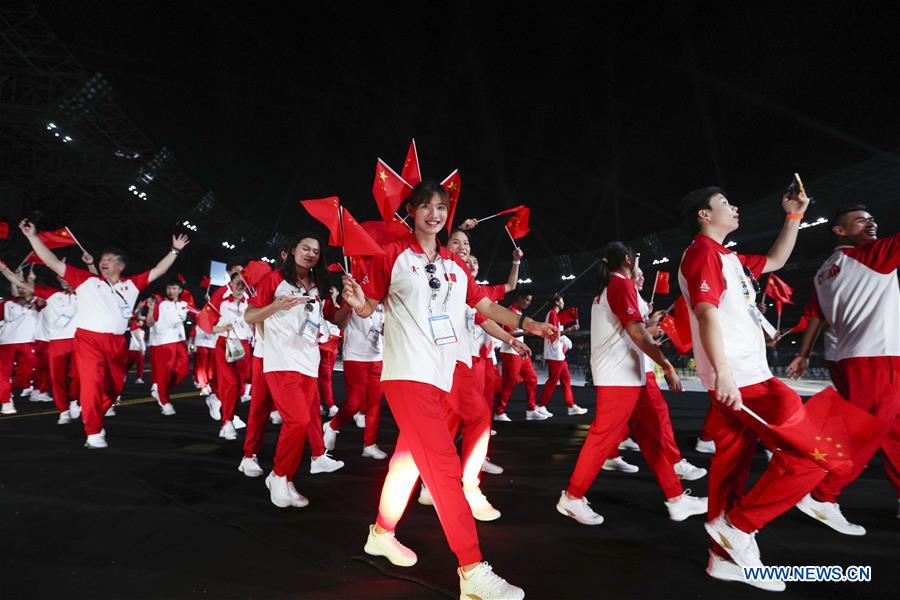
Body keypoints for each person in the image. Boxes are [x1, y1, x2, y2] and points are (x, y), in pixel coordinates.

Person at [342, 180, 558, 600]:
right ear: (412, 211)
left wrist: (527, 325)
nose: (434, 213)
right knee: (443, 470)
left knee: (407, 461)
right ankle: (472, 570)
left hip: (441, 377)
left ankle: (381, 532)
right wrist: (357, 301)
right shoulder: (393, 255)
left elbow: (485, 307)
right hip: (407, 375)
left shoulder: (455, 268)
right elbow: (371, 304)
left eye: (441, 207)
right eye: (425, 206)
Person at [676, 185, 828, 591]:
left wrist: (793, 217)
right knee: (813, 457)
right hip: (744, 379)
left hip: (741, 375)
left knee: (731, 466)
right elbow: (706, 313)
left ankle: (722, 559)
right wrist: (723, 373)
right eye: (725, 202)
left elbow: (776, 259)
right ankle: (739, 527)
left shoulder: (729, 258)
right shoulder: (703, 254)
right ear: (704, 215)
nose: (735, 205)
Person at [556, 241, 707, 528]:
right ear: (627, 259)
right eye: (636, 259)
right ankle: (572, 496)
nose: (639, 266)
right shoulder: (619, 285)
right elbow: (637, 333)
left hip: (629, 376)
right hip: (619, 377)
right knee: (602, 437)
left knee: (651, 438)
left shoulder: (612, 287)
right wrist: (667, 364)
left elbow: (631, 331)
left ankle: (676, 498)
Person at [19, 219, 188, 448]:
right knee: (91, 384)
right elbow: (50, 261)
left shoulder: (133, 284)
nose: (103, 263)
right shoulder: (85, 280)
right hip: (88, 340)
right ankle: (93, 431)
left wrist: (175, 251)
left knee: (114, 388)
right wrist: (32, 237)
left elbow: (159, 270)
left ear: (121, 266)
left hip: (117, 343)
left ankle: (91, 410)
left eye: (108, 260)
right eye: (102, 260)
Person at [787, 204, 899, 531]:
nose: (872, 223)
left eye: (873, 218)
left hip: (846, 359)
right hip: (877, 358)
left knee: (895, 432)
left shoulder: (824, 271)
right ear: (839, 230)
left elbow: (816, 316)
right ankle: (823, 496)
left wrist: (804, 353)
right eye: (861, 220)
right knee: (865, 433)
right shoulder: (873, 255)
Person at [244, 234, 344, 507]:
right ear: (292, 251)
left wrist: (349, 299)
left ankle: (286, 478)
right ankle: (278, 475)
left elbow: (334, 319)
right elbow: (249, 316)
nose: (311, 253)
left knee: (301, 424)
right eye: (305, 248)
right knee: (298, 421)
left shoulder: (318, 285)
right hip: (280, 361)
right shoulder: (274, 279)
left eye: (316, 250)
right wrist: (275, 306)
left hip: (309, 363)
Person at [0, 262, 81, 423]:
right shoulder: (48, 295)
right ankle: (62, 409)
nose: (62, 280)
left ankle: (73, 400)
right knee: (54, 377)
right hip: (42, 342)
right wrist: (4, 269)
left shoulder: (83, 296)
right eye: (60, 277)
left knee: (76, 375)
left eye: (65, 277)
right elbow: (19, 286)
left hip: (71, 341)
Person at [324, 301, 388, 460]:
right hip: (355, 356)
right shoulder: (352, 297)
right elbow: (339, 322)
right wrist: (348, 305)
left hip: (377, 356)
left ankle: (369, 444)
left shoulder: (384, 299)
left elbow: (384, 328)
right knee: (355, 402)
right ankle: (332, 426)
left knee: (374, 404)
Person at [206, 272, 252, 440]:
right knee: (230, 383)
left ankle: (225, 412)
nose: (240, 285)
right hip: (224, 344)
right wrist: (223, 328)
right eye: (237, 282)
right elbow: (207, 325)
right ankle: (227, 422)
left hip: (245, 345)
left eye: (243, 283)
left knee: (241, 385)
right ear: (230, 284)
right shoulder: (220, 297)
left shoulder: (251, 299)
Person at [495, 291, 543, 421]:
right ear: (520, 298)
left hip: (521, 352)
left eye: (530, 301)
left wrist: (526, 332)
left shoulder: (519, 313)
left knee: (532, 378)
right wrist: (526, 332)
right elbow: (507, 333)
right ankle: (499, 412)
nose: (528, 303)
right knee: (509, 383)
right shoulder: (510, 311)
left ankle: (531, 410)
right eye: (526, 300)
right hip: (510, 352)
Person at [538, 293, 587, 416]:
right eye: (562, 300)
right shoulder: (552, 314)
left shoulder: (555, 315)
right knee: (553, 381)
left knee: (566, 380)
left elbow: (557, 333)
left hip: (558, 354)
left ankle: (571, 406)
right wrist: (570, 330)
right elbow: (554, 335)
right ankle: (540, 405)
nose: (563, 302)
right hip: (555, 354)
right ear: (556, 303)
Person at [145, 281, 190, 415]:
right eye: (169, 288)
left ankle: (160, 391)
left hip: (180, 341)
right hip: (163, 342)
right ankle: (164, 402)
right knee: (162, 376)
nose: (171, 291)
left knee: (183, 371)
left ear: (180, 290)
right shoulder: (160, 304)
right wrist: (152, 309)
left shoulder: (184, 304)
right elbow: (149, 323)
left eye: (174, 288)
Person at [0, 267, 40, 414]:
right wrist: (17, 279)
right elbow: (16, 291)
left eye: (25, 288)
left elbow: (32, 292)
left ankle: (8, 390)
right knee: (3, 374)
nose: (22, 290)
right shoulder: (7, 303)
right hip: (5, 342)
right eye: (19, 287)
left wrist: (31, 280)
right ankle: (5, 401)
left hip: (28, 342)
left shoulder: (38, 303)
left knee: (25, 374)